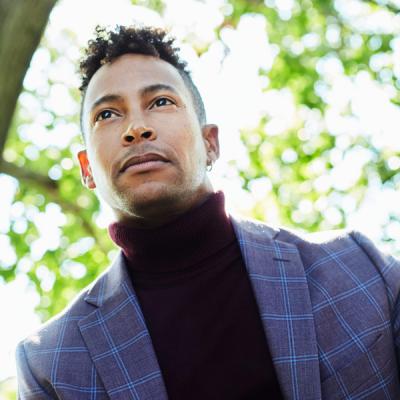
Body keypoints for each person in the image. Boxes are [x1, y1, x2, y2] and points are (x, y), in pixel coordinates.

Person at [16, 25, 400, 400]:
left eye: (160, 102)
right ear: (87, 169)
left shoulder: (358, 265)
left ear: (210, 143)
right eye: (107, 114)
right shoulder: (49, 365)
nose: (136, 128)